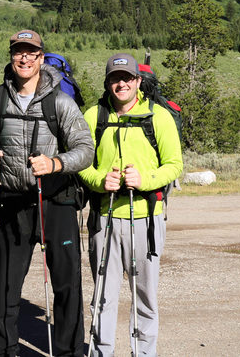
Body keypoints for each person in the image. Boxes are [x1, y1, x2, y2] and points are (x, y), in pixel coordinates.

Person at [0, 29, 95, 357]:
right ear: (12, 57)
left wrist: (56, 163)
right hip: (12, 200)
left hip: (56, 200)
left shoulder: (60, 101)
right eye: (18, 52)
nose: (24, 58)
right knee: (6, 286)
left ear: (41, 58)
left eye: (31, 52)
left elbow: (86, 149)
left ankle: (69, 352)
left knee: (67, 285)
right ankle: (7, 351)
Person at [78, 53, 183, 357]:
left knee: (145, 298)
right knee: (103, 298)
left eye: (127, 78)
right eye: (114, 78)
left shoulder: (158, 117)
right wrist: (99, 181)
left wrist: (147, 179)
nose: (120, 83)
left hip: (146, 220)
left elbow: (174, 164)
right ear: (107, 82)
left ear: (138, 81)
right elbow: (81, 162)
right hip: (104, 218)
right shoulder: (93, 116)